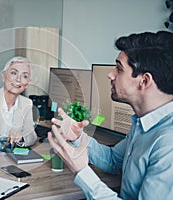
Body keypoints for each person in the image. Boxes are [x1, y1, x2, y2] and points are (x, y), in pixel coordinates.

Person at [48, 31, 173, 199]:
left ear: (144, 81)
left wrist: (82, 171)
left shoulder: (168, 144)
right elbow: (114, 160)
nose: (110, 74)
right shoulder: (143, 124)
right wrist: (78, 137)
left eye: (119, 69)